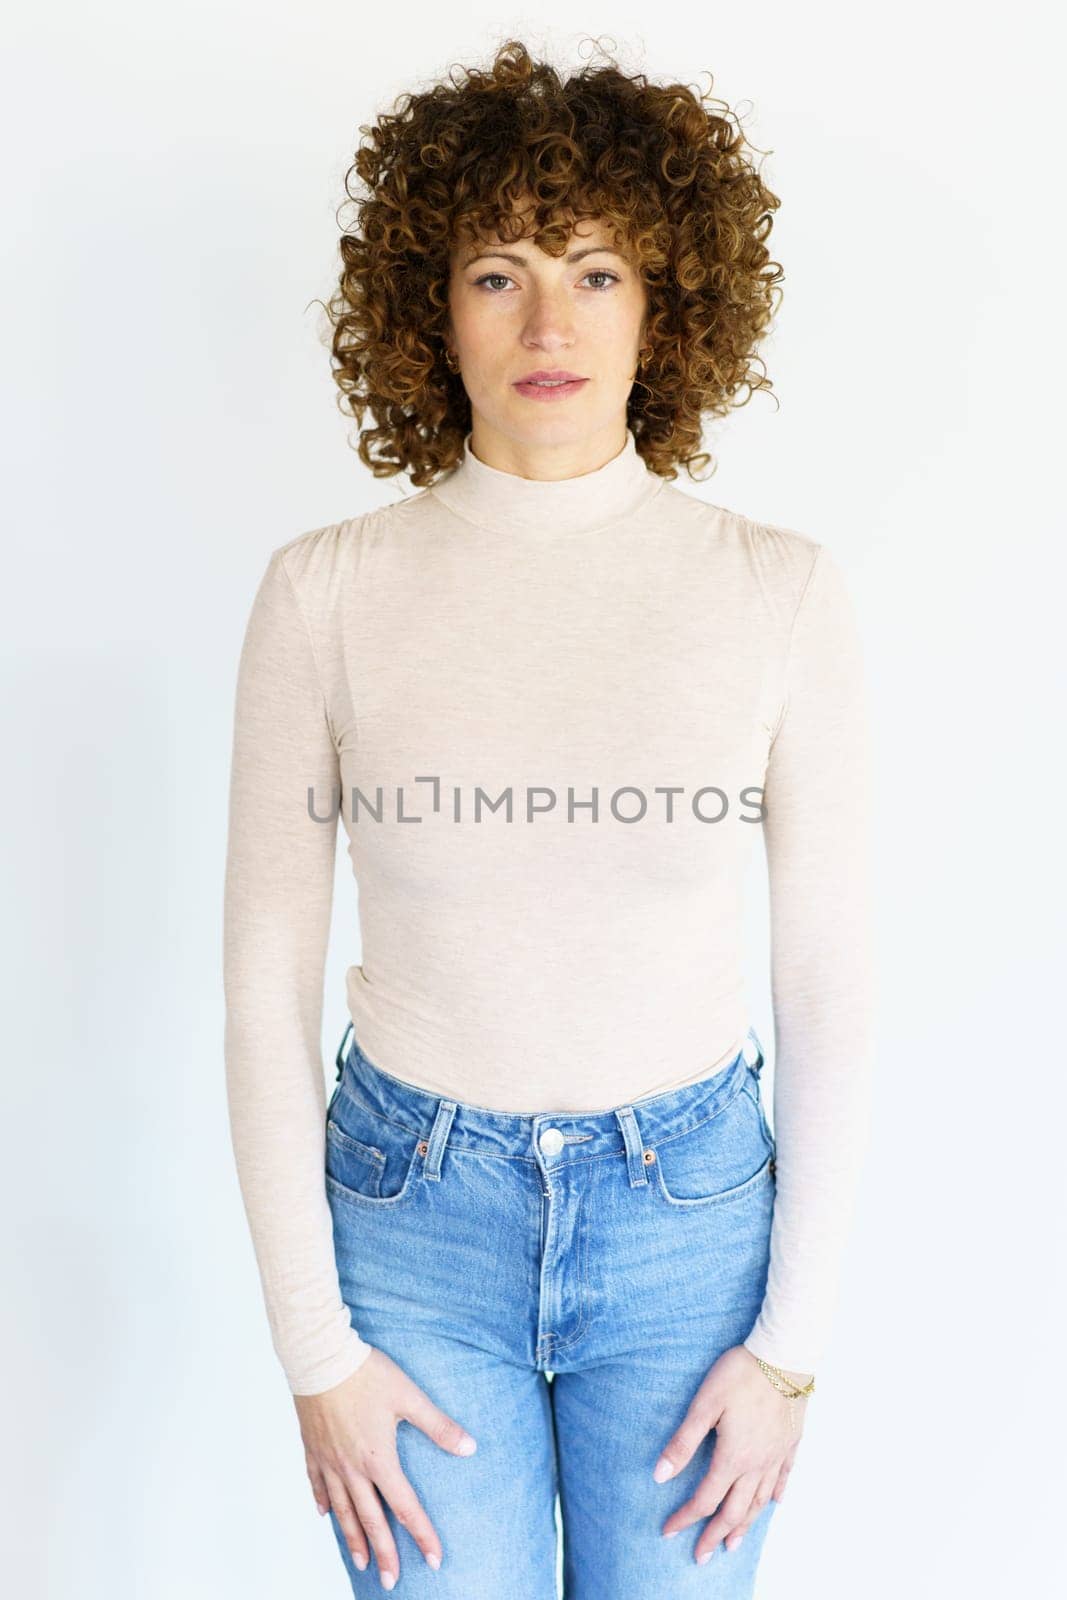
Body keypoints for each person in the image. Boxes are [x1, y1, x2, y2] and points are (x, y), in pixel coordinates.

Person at [222, 37, 875, 1599]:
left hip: (689, 1227)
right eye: (497, 272)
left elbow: (831, 978)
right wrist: (316, 1353)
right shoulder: (326, 592)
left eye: (595, 270)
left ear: (667, 305)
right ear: (427, 308)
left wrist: (788, 1354)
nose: (548, 322)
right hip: (410, 1227)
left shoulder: (775, 591)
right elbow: (260, 983)